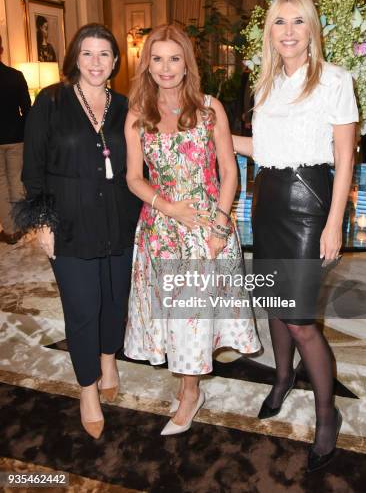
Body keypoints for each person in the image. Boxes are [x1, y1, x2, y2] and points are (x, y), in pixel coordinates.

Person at [233, 0, 358, 472]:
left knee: (301, 318)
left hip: (310, 205)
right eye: (280, 22)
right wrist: (215, 130)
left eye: (298, 23)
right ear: (271, 31)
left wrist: (334, 225)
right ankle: (282, 379)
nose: (288, 32)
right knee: (273, 305)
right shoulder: (265, 84)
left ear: (311, 30)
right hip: (270, 202)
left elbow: (345, 158)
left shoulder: (334, 80)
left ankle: (328, 414)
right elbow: (262, 147)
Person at [124, 24, 260, 435]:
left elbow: (228, 172)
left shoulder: (208, 108)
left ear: (187, 64)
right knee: (172, 319)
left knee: (192, 319)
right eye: (157, 58)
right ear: (147, 63)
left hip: (205, 229)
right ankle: (189, 386)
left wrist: (220, 225)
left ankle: (189, 394)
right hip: (159, 228)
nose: (165, 68)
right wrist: (168, 207)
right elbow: (134, 178)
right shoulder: (138, 114)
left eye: (174, 59)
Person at [15, 23, 142, 439]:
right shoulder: (50, 101)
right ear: (75, 58)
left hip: (120, 221)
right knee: (83, 307)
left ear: (116, 62)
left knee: (114, 300)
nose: (95, 62)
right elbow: (32, 170)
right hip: (68, 223)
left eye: (104, 54)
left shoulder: (125, 106)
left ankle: (109, 358)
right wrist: (43, 222)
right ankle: (87, 388)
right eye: (87, 53)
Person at [0, 35, 31, 244]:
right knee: (16, 182)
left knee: (0, 185)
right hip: (15, 137)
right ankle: (20, 226)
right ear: (1, 49)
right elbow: (27, 109)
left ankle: (9, 231)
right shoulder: (15, 76)